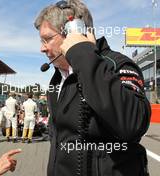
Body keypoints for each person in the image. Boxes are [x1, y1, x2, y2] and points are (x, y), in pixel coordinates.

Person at [34, 0, 151, 175]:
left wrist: (82, 53)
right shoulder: (58, 77)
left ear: (75, 31)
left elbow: (132, 124)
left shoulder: (117, 65)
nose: (42, 48)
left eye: (48, 39)